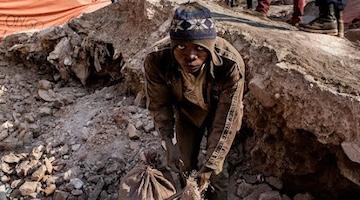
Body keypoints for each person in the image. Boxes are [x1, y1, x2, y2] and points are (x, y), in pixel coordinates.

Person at [144, 2, 245, 199]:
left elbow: (226, 121)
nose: (190, 56)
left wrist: (210, 165)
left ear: (210, 46)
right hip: (187, 110)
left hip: (218, 111)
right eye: (181, 47)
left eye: (199, 48)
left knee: (216, 171)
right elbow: (159, 105)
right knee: (183, 163)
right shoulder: (157, 60)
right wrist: (167, 142)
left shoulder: (230, 65)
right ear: (173, 46)